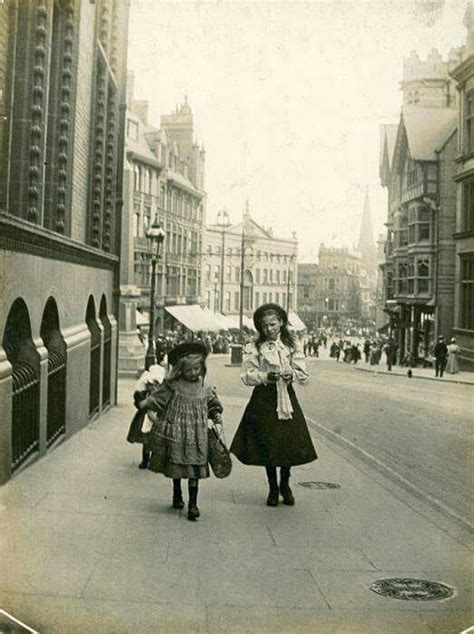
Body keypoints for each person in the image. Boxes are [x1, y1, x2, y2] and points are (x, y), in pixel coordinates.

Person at [230, 303, 317, 507]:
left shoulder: (292, 345)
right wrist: (265, 375)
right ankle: (272, 488)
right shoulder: (255, 347)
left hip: (286, 396)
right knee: (267, 442)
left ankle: (285, 484)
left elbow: (303, 374)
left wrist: (291, 374)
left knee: (287, 442)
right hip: (264, 398)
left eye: (273, 324)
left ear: (281, 323)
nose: (269, 329)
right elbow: (247, 375)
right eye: (265, 326)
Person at [144, 341, 224, 521]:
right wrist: (149, 410)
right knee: (179, 466)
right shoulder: (173, 385)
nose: (194, 373)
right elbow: (158, 399)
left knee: (194, 468)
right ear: (180, 370)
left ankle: (193, 504)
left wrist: (216, 414)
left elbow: (212, 403)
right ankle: (177, 492)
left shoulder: (205, 387)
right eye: (189, 370)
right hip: (178, 432)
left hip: (198, 435)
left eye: (197, 369)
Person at [127, 361, 166, 469]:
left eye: (156, 385)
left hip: (158, 418)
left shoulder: (162, 395)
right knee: (146, 440)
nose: (153, 388)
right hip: (145, 419)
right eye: (151, 385)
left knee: (157, 440)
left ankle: (154, 460)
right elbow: (139, 404)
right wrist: (149, 401)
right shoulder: (143, 394)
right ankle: (145, 460)